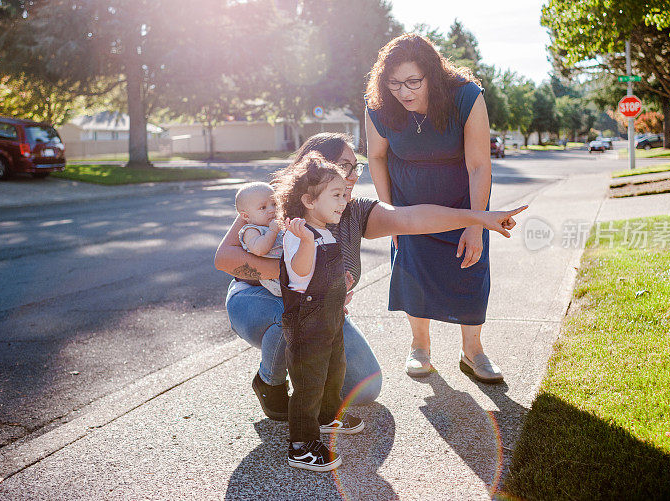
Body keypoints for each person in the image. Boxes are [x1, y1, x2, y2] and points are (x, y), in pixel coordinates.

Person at [214, 133, 524, 421]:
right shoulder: (275, 205)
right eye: (342, 166)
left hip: (322, 310)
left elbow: (412, 216)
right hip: (255, 300)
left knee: (365, 386)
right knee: (292, 316)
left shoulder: (356, 213)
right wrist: (309, 278)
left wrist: (478, 217)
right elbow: (224, 258)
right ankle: (270, 382)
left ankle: (304, 368)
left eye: (354, 167)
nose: (350, 176)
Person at [365, 33, 500, 382]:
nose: (404, 92)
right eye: (395, 83)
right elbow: (377, 157)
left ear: (432, 74)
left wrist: (476, 224)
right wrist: (390, 214)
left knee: (470, 268)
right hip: (408, 205)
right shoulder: (380, 105)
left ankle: (473, 351)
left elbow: (479, 166)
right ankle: (420, 347)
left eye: (413, 81)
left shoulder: (465, 96)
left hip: (464, 202)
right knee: (413, 272)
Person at [273, 153, 365, 471]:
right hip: (307, 324)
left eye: (344, 194)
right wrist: (307, 243)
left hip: (330, 318)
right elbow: (299, 275)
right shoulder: (296, 235)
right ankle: (301, 444)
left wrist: (342, 281)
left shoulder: (325, 230)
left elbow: (322, 274)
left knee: (333, 370)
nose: (344, 200)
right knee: (309, 382)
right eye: (336, 195)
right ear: (309, 201)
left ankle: (327, 416)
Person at [234, 182, 283, 297]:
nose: (272, 210)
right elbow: (259, 250)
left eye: (274, 204)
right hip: (273, 280)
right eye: (263, 207)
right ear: (246, 216)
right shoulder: (251, 230)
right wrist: (273, 232)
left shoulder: (275, 225)